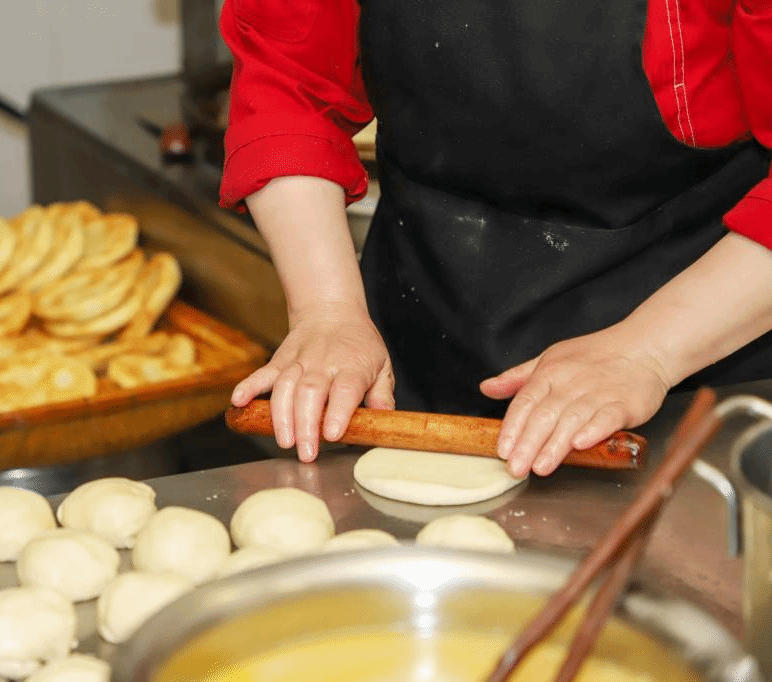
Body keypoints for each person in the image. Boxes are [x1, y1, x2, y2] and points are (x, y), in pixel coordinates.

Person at [218, 0, 772, 477]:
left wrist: (647, 352)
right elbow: (288, 84)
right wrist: (327, 310)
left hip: (698, 354)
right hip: (413, 341)